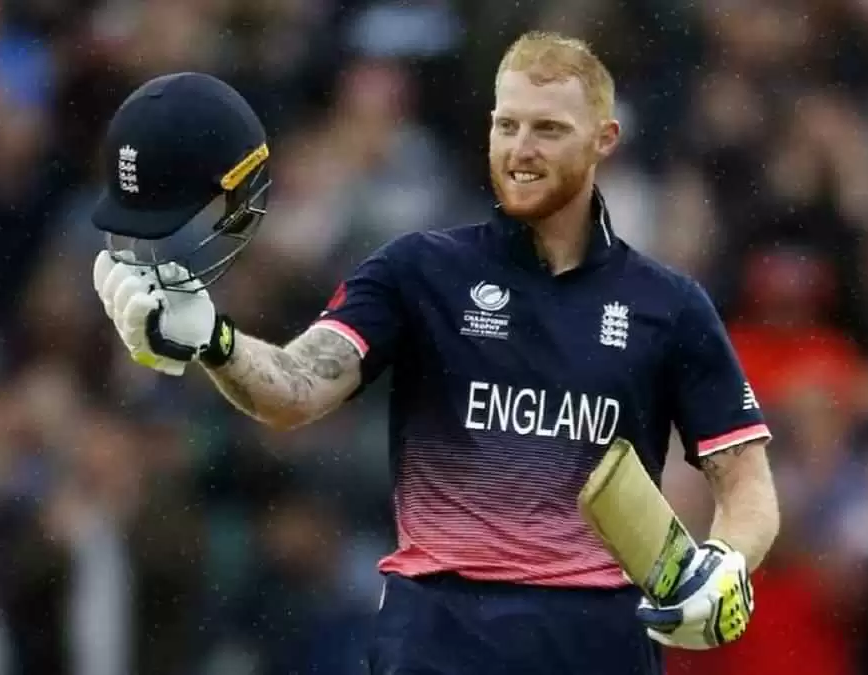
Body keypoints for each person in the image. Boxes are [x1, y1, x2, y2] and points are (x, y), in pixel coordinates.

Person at [90, 32, 780, 675]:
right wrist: (215, 339)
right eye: (506, 125)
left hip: (597, 642)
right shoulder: (419, 270)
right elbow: (297, 388)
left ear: (604, 140)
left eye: (548, 129)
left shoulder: (669, 304)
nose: (520, 149)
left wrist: (727, 561)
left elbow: (747, 483)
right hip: (440, 637)